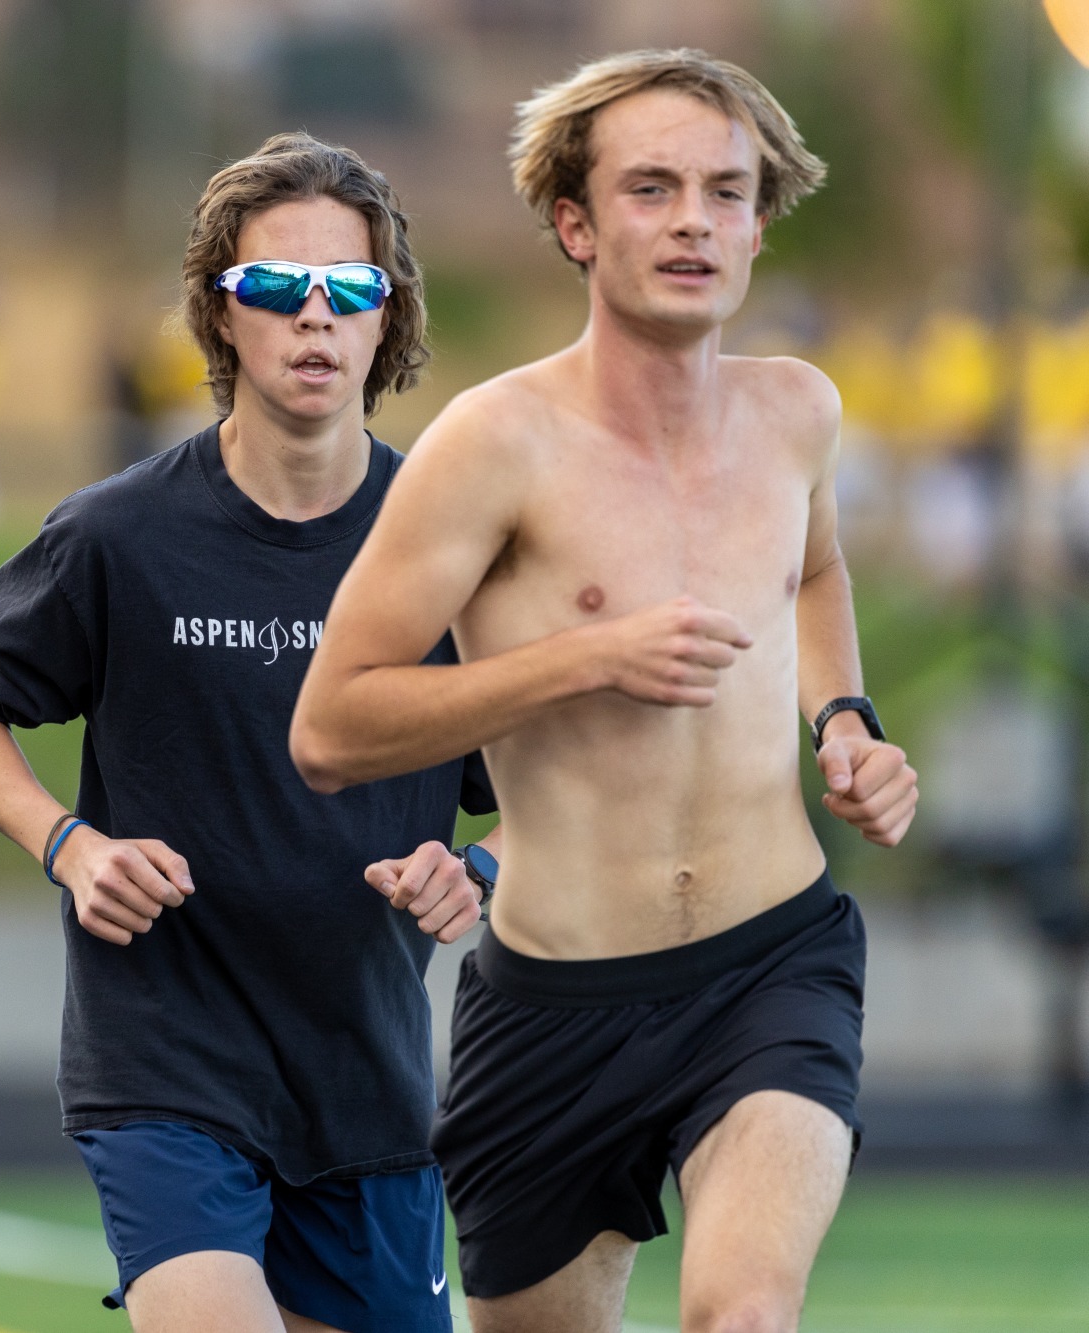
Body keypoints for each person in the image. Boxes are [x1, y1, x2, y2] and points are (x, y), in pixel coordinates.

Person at [290, 50, 919, 1333]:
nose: (693, 218)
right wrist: (581, 659)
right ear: (575, 225)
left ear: (755, 222)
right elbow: (330, 725)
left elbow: (814, 568)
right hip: (554, 1004)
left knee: (739, 1316)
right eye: (651, 188)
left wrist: (844, 721)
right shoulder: (493, 442)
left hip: (771, 958)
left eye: (724, 191)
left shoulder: (796, 411)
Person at [0, 132, 496, 1333]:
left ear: (387, 319)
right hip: (165, 1066)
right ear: (218, 314)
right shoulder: (115, 535)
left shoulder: (449, 545)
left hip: (368, 1081)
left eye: (349, 289)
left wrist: (479, 868)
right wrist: (71, 847)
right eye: (276, 289)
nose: (314, 319)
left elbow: (567, 784)